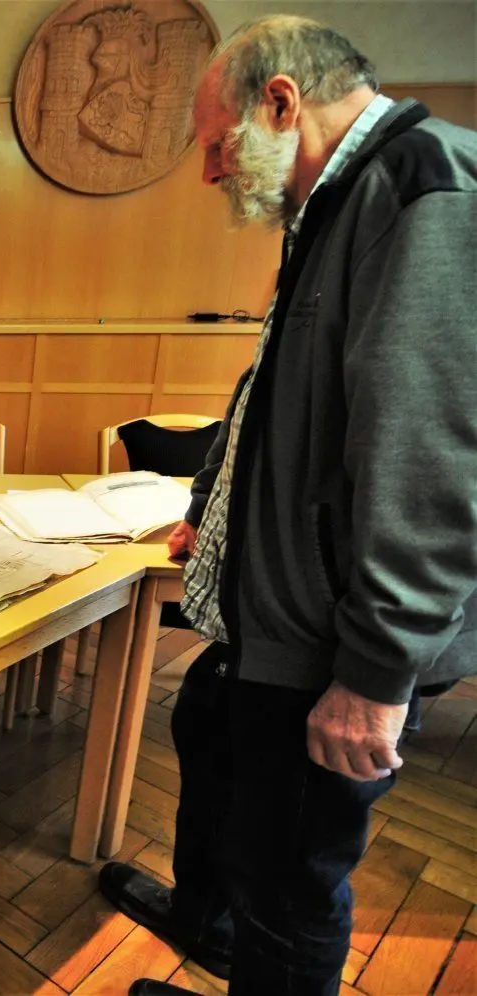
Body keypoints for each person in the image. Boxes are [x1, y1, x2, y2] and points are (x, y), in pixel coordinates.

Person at [98, 17, 477, 996]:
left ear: (282, 103)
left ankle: (247, 947)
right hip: (272, 613)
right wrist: (211, 505)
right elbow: (271, 394)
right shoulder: (331, 205)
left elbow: (427, 454)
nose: (209, 173)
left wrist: (377, 668)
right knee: (209, 735)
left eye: (217, 146)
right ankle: (203, 927)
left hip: (331, 640)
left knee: (293, 878)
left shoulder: (424, 187)